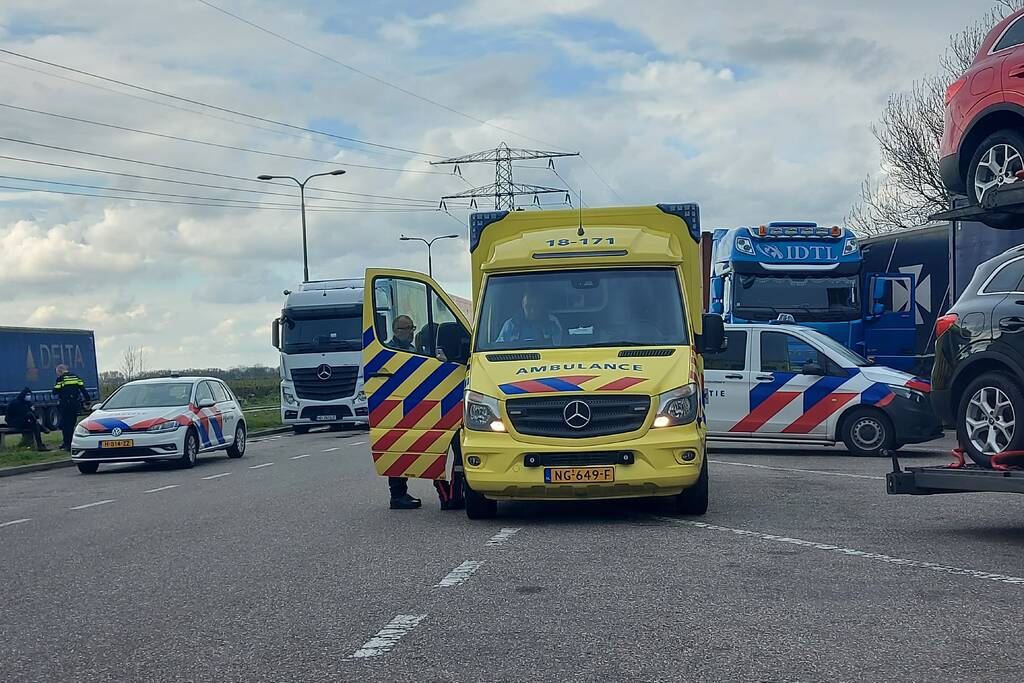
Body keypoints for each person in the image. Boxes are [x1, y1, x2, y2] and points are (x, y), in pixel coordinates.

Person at [497, 291, 563, 346]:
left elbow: (560, 346)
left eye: (536, 307)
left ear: (541, 305)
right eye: (528, 307)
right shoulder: (510, 324)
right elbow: (499, 347)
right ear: (522, 305)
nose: (532, 311)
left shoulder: (551, 322)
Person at [54, 364, 90, 451]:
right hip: (75, 404)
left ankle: (67, 444)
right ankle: (69, 443)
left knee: (65, 425)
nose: (57, 375)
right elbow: (83, 389)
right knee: (71, 424)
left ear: (60, 371)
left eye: (57, 373)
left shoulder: (61, 379)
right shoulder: (76, 377)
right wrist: (88, 400)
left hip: (65, 404)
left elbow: (55, 391)